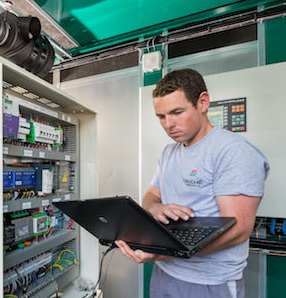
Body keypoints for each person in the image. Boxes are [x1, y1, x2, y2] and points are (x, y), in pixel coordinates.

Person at [115, 69, 269, 298]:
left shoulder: (233, 152)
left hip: (209, 281)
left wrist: (161, 253)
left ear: (203, 103)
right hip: (165, 273)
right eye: (161, 116)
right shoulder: (169, 153)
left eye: (177, 112)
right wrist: (156, 208)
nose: (168, 124)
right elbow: (150, 196)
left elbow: (239, 230)